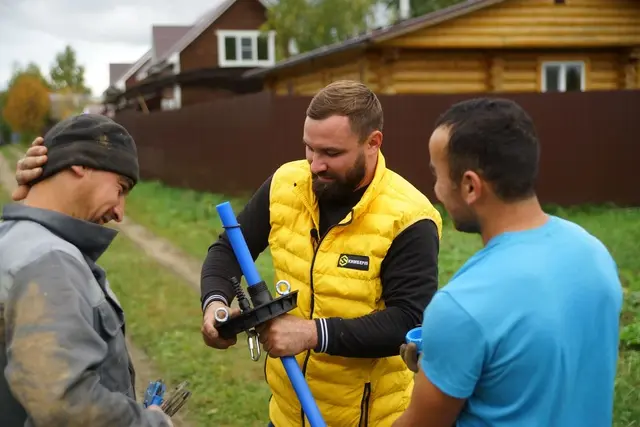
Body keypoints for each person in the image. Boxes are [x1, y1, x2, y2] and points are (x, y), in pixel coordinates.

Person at [13, 81, 444, 426]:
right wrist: (215, 303)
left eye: (330, 153)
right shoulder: (286, 184)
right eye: (308, 148)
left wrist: (312, 334)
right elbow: (227, 251)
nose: (313, 164)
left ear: (373, 143)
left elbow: (411, 320)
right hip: (289, 411)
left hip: (369, 418)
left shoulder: (409, 217)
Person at [394, 98, 623, 427]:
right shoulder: (594, 254)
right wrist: (448, 365)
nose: (437, 190)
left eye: (437, 175)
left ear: (470, 186)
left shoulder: (461, 305)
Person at [1, 114, 173, 427]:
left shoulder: (10, 238)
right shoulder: (50, 261)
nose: (120, 213)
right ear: (81, 164)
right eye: (120, 189)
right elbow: (64, 404)